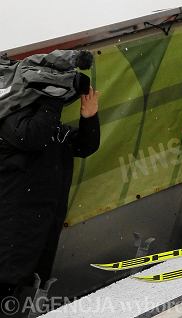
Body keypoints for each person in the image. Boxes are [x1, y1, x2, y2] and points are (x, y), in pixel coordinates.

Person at [0, 78, 99, 312]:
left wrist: (89, 118)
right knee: (9, 286)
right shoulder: (11, 125)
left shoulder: (50, 130)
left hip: (43, 225)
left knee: (32, 287)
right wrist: (53, 98)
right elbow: (31, 136)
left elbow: (84, 146)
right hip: (12, 231)